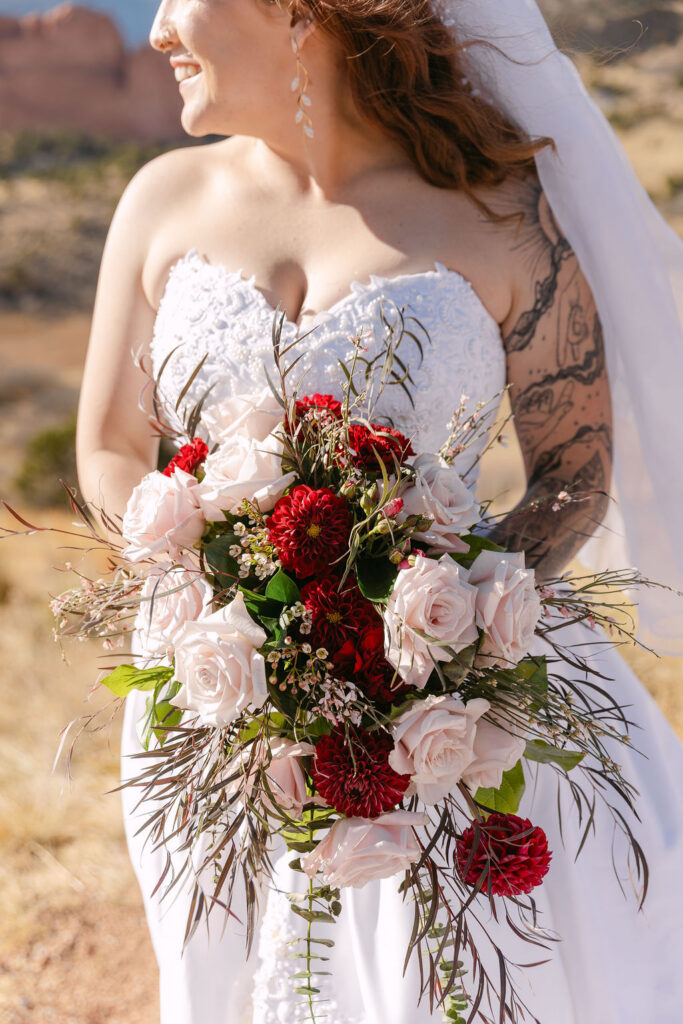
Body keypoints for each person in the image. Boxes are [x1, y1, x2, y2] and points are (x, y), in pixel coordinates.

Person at [75, 0, 683, 1021]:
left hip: (453, 710)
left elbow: (571, 472)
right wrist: (201, 563)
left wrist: (442, 634)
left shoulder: (496, 209)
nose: (158, 33)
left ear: (296, 14)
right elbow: (104, 447)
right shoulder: (160, 199)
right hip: (211, 691)